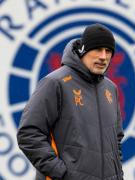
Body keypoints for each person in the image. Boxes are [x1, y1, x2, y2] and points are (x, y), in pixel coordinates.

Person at [17, 23, 124, 180]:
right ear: (83, 51)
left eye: (108, 51)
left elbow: (116, 140)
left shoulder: (111, 88)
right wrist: (61, 173)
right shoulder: (55, 83)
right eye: (97, 49)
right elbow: (29, 133)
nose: (103, 57)